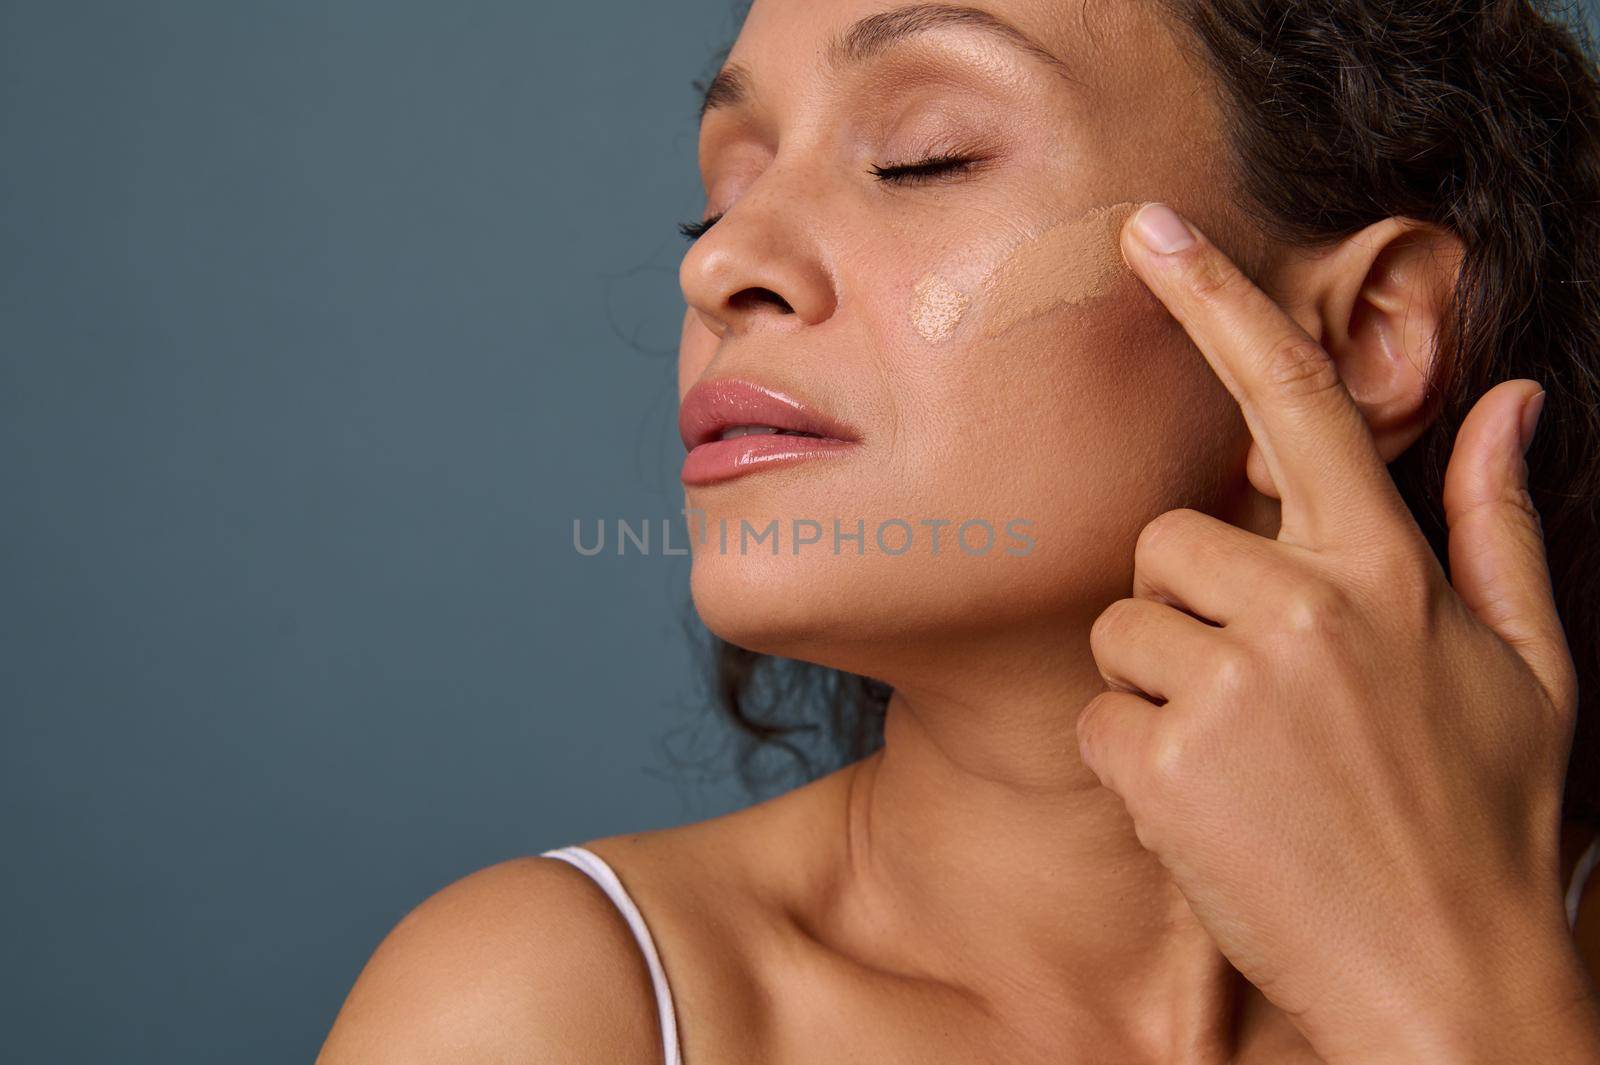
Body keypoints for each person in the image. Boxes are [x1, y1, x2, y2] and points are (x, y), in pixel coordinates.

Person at [317, 1, 1600, 1061]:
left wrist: (1463, 1009)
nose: (720, 264)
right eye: (723, 193)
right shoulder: (550, 1008)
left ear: (1362, 332)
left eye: (921, 157)